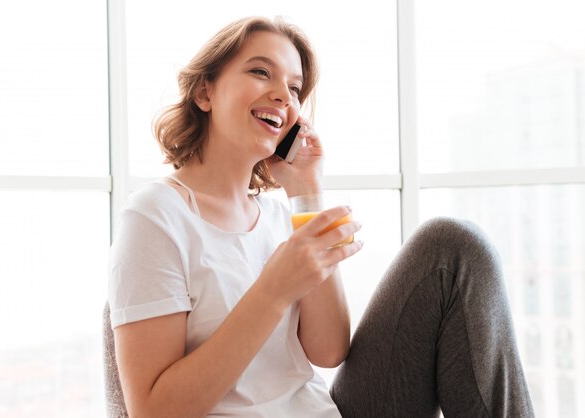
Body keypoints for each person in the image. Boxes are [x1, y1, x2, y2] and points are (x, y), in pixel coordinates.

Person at [107, 16, 535, 417]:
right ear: (205, 93)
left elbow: (328, 351)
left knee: (452, 246)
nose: (283, 95)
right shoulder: (156, 214)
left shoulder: (280, 217)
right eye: (261, 72)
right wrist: (272, 291)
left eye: (295, 89)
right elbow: (152, 409)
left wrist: (306, 193)